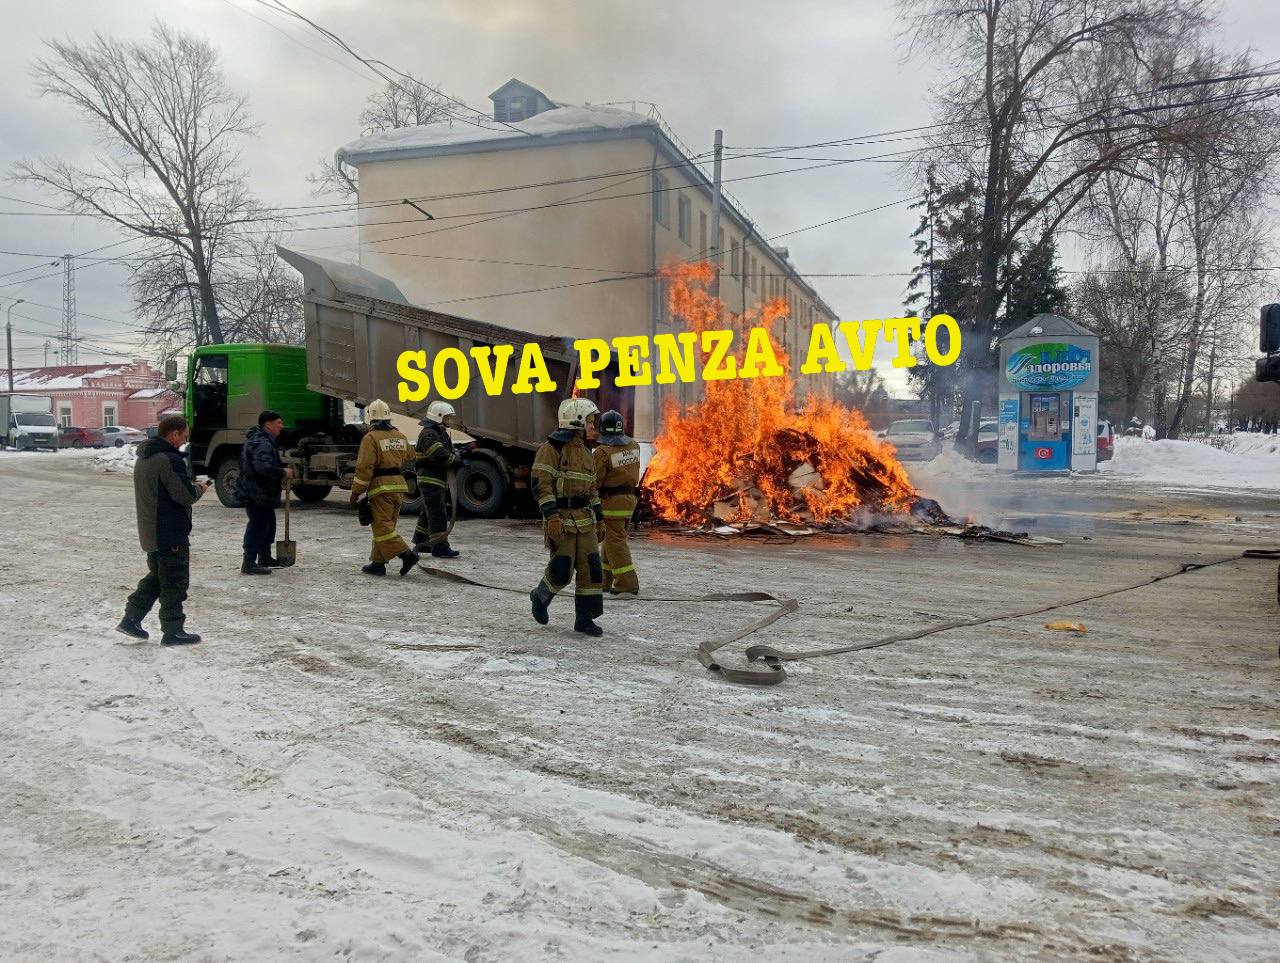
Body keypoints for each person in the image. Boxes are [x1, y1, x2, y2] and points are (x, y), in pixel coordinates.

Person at [116, 414, 208, 646]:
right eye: (184, 436)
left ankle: (131, 619)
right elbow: (184, 495)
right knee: (174, 582)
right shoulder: (169, 459)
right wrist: (200, 488)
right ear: (174, 434)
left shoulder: (145, 457)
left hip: (152, 531)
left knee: (158, 578)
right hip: (169, 532)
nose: (185, 441)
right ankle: (173, 631)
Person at [529, 398, 605, 637]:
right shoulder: (551, 449)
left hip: (585, 520)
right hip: (561, 520)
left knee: (591, 569)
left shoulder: (587, 453)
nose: (593, 426)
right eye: (590, 421)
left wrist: (600, 518)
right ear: (577, 421)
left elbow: (592, 490)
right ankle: (540, 597)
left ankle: (584, 619)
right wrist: (551, 517)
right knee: (562, 569)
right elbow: (541, 485)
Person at [350, 399, 420, 577]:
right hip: (399, 487)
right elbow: (411, 455)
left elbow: (364, 467)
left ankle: (407, 555)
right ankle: (378, 563)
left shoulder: (370, 438)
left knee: (382, 528)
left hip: (381, 488)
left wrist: (356, 492)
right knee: (387, 526)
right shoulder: (399, 436)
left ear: (371, 418)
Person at [234, 410, 292, 575]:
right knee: (258, 526)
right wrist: (283, 472)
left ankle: (264, 557)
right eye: (278, 423)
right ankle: (248, 563)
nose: (281, 426)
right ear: (268, 424)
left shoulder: (262, 440)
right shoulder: (262, 443)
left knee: (268, 525)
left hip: (262, 493)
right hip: (256, 492)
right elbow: (262, 467)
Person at [592, 409, 642, 597]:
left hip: (611, 503)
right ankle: (604, 581)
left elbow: (595, 481)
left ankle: (627, 584)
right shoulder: (634, 446)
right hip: (629, 501)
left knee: (615, 542)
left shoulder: (602, 452)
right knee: (610, 540)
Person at [412, 400, 463, 559]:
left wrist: (458, 455)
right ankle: (440, 547)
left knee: (428, 511)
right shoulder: (429, 434)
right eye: (447, 417)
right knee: (437, 512)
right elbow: (439, 454)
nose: (449, 420)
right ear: (438, 416)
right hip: (430, 480)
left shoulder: (439, 432)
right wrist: (455, 461)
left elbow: (449, 450)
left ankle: (422, 541)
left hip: (436, 479)